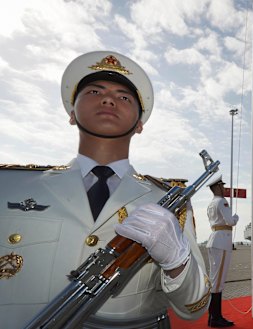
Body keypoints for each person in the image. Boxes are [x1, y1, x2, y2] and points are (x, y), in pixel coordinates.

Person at [0, 51, 210, 328]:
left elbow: (193, 308)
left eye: (124, 97)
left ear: (139, 124)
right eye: (94, 91)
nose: (108, 99)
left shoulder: (167, 200)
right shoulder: (8, 185)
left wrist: (177, 261)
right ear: (72, 114)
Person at [206, 175, 239, 327]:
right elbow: (230, 222)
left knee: (214, 280)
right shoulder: (222, 201)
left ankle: (212, 315)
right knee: (218, 282)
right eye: (222, 186)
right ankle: (216, 318)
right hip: (222, 241)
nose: (224, 188)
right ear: (217, 187)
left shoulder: (211, 204)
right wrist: (236, 218)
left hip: (214, 240)